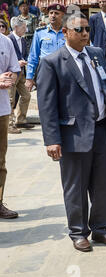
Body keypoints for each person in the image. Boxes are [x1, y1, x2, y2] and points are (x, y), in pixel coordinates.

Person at [37, 13, 106, 252]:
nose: (85, 33)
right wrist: (52, 140)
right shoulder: (53, 62)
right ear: (65, 32)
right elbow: (46, 105)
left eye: (87, 29)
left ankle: (101, 228)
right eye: (79, 30)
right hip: (73, 135)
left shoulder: (96, 54)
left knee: (104, 184)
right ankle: (78, 232)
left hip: (102, 129)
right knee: (76, 186)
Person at [0, 31, 21, 219]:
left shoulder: (5, 42)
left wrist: (10, 78)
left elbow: (14, 69)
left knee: (0, 160)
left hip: (1, 109)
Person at [25, 3, 65, 92]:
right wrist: (29, 78)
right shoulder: (40, 32)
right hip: (46, 73)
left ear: (63, 15)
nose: (53, 16)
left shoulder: (68, 32)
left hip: (65, 74)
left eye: (56, 13)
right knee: (46, 102)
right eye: (51, 13)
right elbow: (33, 56)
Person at [8, 17, 32, 134]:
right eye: (24, 27)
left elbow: (25, 55)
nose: (26, 30)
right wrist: (16, 62)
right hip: (11, 73)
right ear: (16, 27)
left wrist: (25, 61)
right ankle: (9, 125)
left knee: (26, 96)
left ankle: (20, 120)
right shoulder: (8, 40)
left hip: (21, 73)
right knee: (10, 99)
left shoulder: (23, 40)